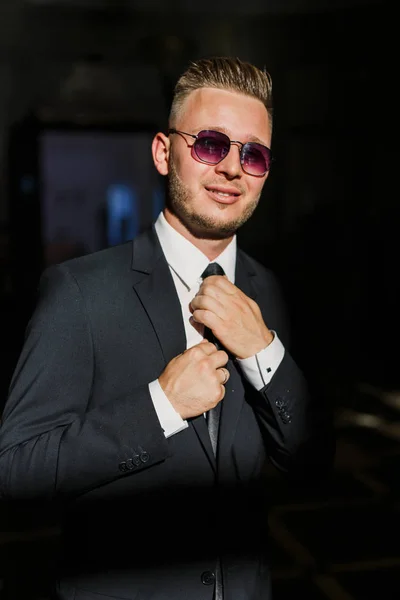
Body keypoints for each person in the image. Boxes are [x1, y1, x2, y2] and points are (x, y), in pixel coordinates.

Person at [0, 56, 335, 600]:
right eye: (210, 144)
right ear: (163, 152)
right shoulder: (80, 292)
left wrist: (263, 351)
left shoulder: (271, 291)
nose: (231, 168)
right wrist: (160, 406)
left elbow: (312, 461)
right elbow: (13, 471)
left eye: (253, 154)